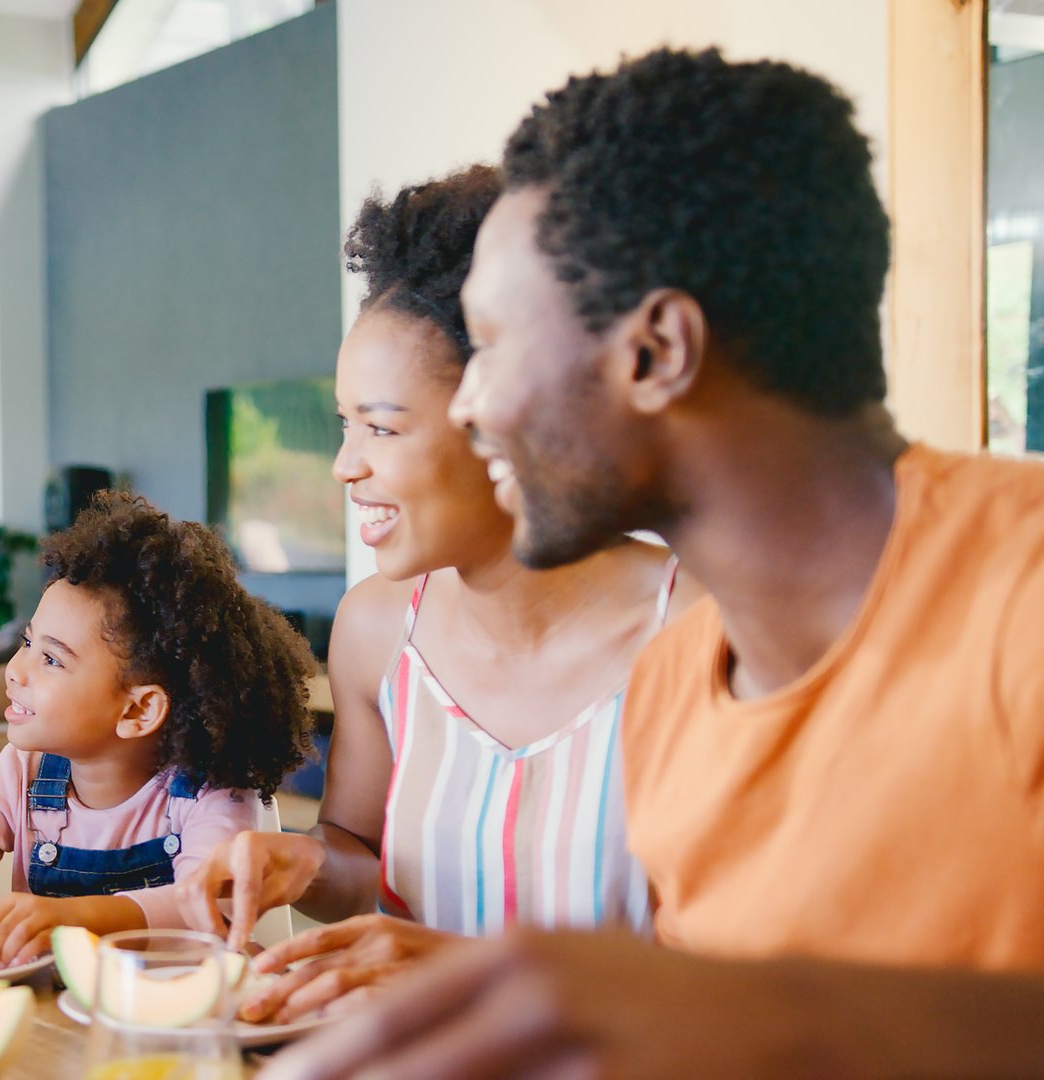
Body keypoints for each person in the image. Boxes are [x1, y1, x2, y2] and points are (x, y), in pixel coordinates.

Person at [267, 46, 1044, 1078]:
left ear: (656, 352)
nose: (475, 406)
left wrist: (737, 1012)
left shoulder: (1021, 591)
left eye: (493, 345)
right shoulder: (678, 687)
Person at [176, 167, 693, 1025]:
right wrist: (297, 864)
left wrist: (457, 969)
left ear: (512, 413)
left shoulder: (697, 629)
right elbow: (360, 855)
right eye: (344, 425)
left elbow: (749, 974)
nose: (346, 465)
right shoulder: (377, 632)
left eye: (381, 427)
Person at [0, 492, 316, 969]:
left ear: (138, 710)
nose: (15, 670)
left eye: (52, 659)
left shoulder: (209, 793)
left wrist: (69, 918)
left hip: (169, 1025)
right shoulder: (21, 774)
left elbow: (201, 910)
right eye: (29, 642)